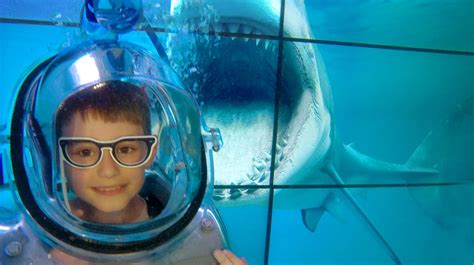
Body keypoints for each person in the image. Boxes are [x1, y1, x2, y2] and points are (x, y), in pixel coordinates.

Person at [52, 80, 247, 264]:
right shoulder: (42, 240)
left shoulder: (192, 232)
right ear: (60, 159)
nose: (108, 171)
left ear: (150, 153)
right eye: (85, 152)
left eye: (125, 149)